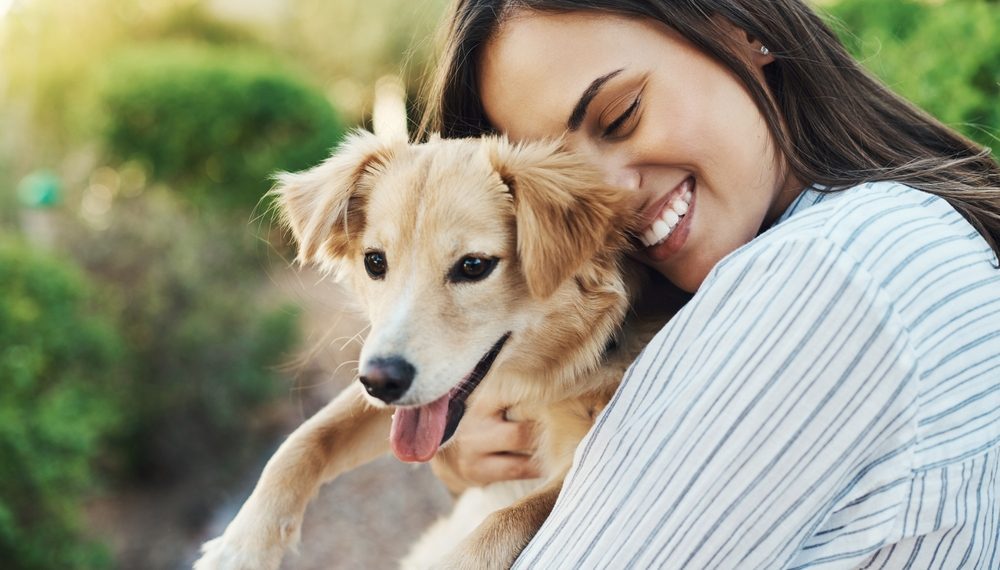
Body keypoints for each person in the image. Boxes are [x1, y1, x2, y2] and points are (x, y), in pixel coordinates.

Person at [420, 0, 1000, 568]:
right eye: (558, 192)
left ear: (745, 29)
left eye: (622, 117)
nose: (607, 206)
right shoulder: (907, 229)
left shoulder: (828, 273)